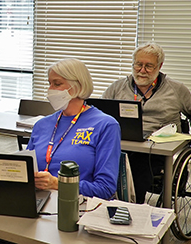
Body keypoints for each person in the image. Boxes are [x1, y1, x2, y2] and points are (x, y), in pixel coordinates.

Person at [102, 42, 191, 203]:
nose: (142, 70)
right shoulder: (117, 87)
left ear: (159, 66)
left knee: (136, 168)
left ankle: (131, 210)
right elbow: (100, 115)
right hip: (122, 145)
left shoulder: (176, 90)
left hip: (156, 151)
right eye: (138, 64)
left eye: (149, 66)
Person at [27, 58, 121, 199]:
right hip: (37, 201)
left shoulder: (105, 125)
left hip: (78, 204)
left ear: (78, 86)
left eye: (57, 84)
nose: (50, 90)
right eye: (49, 83)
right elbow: (25, 170)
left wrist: (58, 184)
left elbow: (105, 188)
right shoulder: (42, 125)